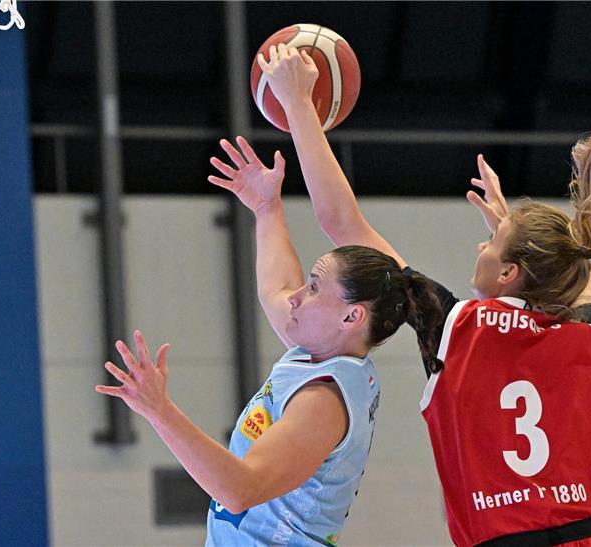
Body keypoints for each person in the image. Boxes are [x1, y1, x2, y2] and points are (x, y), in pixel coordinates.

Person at [257, 44, 591, 546]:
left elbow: (341, 222)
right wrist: (519, 241)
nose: (480, 243)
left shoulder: (456, 328)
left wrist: (299, 105)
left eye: (490, 242)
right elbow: (589, 276)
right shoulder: (583, 335)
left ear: (511, 272)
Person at [95, 136, 443, 546]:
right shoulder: (320, 353)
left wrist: (160, 411)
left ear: (351, 316)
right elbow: (275, 288)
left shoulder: (324, 400)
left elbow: (239, 489)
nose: (297, 295)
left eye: (313, 288)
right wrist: (266, 207)